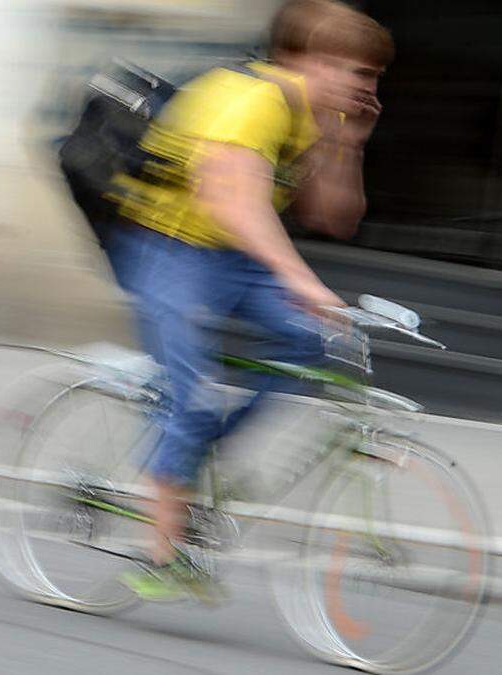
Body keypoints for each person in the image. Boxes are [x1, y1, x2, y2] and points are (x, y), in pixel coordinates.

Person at [107, 0, 393, 601]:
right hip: (168, 248)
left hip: (232, 257)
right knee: (194, 396)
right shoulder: (253, 100)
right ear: (305, 62)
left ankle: (191, 450)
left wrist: (352, 142)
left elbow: (333, 217)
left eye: (372, 76)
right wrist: (302, 280)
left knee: (313, 340)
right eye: (352, 70)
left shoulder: (317, 116)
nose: (364, 86)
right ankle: (163, 554)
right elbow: (230, 202)